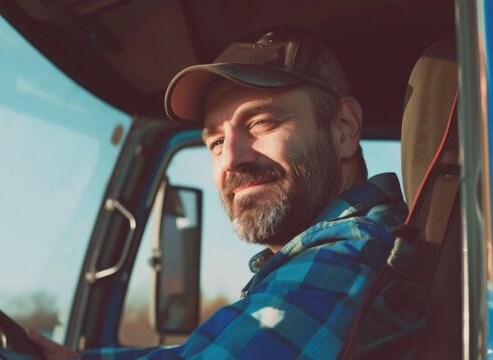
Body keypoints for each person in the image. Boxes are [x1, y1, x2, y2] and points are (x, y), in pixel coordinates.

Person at [27, 26, 408, 359]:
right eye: (215, 141)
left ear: (343, 128)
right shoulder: (329, 259)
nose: (231, 159)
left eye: (261, 122)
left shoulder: (346, 256)